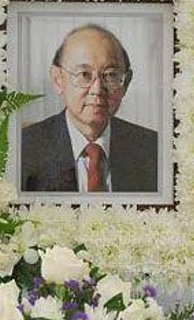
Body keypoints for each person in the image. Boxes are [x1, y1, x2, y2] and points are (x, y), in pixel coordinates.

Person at [21, 24, 158, 193]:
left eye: (110, 75)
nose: (97, 90)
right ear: (58, 80)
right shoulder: (22, 149)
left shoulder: (154, 150)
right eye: (84, 75)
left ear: (126, 82)